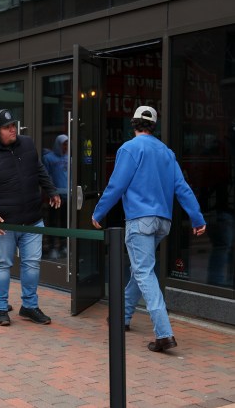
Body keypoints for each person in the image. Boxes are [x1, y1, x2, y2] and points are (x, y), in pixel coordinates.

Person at [92, 106, 206, 352]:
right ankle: (121, 316)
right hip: (163, 221)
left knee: (143, 272)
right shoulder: (166, 152)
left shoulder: (129, 149)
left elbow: (116, 186)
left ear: (133, 124)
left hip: (140, 219)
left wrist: (98, 212)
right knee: (140, 269)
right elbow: (182, 188)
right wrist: (197, 218)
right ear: (153, 126)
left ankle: (164, 334)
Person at [0, 109, 61, 326]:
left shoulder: (27, 144)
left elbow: (38, 170)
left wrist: (52, 190)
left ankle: (29, 306)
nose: (13, 130)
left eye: (14, 126)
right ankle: (0, 308)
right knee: (2, 265)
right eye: (7, 127)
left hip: (32, 220)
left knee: (32, 265)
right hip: (3, 224)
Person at [42, 134, 69, 260]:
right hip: (54, 196)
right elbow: (45, 176)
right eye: (64, 144)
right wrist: (49, 193)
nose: (66, 147)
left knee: (65, 222)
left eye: (67, 144)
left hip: (67, 195)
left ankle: (63, 246)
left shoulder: (69, 158)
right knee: (53, 222)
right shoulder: (49, 158)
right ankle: (53, 248)